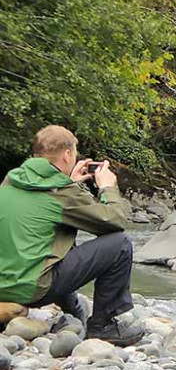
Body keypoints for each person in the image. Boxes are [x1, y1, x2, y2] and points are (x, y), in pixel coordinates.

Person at [0, 126, 144, 346]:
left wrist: (71, 183)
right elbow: (115, 221)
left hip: (3, 285)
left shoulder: (10, 182)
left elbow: (42, 210)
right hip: (33, 289)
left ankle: (74, 314)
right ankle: (102, 326)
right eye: (75, 153)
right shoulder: (63, 193)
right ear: (67, 154)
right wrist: (107, 188)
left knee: (53, 237)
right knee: (120, 244)